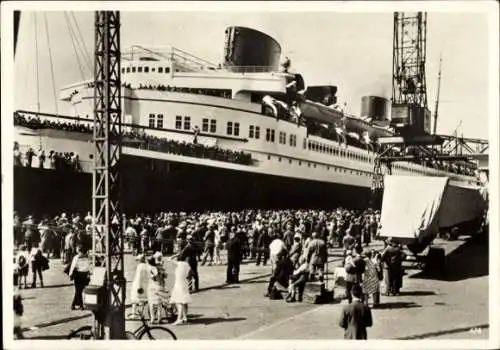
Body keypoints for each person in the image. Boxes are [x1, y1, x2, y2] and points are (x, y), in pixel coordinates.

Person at [169, 257, 193, 325]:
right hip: (184, 284)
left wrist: (175, 255)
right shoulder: (187, 265)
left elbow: (169, 259)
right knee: (184, 301)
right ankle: (185, 317)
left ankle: (179, 319)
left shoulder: (179, 263)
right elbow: (190, 275)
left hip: (178, 284)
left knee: (179, 302)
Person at [68, 244, 91, 310]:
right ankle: (73, 305)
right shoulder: (87, 257)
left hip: (78, 275)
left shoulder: (76, 257)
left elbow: (73, 266)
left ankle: (80, 306)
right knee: (79, 291)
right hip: (85, 275)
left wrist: (70, 275)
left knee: (78, 291)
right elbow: (89, 266)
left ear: (78, 250)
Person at [147, 257, 162, 324]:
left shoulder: (150, 268)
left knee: (151, 304)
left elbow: (153, 277)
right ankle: (159, 318)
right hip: (158, 285)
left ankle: (152, 319)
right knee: (159, 304)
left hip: (152, 287)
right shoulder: (157, 268)